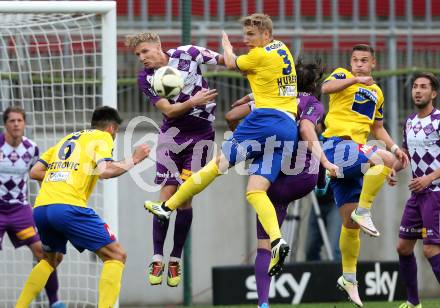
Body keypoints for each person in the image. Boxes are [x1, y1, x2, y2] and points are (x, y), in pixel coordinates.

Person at [145, 13, 338, 276]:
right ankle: (277, 239)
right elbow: (269, 82)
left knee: (217, 165)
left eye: (251, 35)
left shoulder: (258, 55)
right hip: (286, 128)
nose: (246, 39)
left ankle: (167, 207)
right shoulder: (281, 48)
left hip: (263, 121)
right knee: (256, 190)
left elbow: (232, 62)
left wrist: (226, 44)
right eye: (244, 34)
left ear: (266, 35)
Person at [225, 59, 338, 308]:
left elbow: (231, 116)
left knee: (263, 243)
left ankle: (263, 302)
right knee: (317, 144)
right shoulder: (313, 104)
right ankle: (321, 183)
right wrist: (326, 165)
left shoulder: (272, 99)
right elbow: (308, 129)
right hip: (302, 179)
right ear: (316, 83)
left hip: (271, 178)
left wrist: (247, 131)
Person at [15, 106, 150, 307]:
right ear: (112, 129)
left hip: (42, 209)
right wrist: (136, 158)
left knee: (50, 260)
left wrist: (59, 179)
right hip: (68, 207)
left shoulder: (67, 139)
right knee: (116, 255)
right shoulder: (102, 137)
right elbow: (105, 171)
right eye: (116, 133)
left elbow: (35, 171)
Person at [125, 32, 223, 287]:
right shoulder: (146, 78)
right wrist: (194, 101)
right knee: (166, 196)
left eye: (145, 51)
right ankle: (157, 256)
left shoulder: (187, 54)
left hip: (201, 135)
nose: (142, 58)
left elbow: (225, 61)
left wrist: (237, 54)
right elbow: (169, 110)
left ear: (158, 46)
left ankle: (175, 259)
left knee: (185, 198)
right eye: (137, 55)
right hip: (172, 136)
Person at [321, 44, 409, 306]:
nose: (358, 64)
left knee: (350, 224)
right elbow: (325, 88)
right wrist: (354, 79)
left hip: (357, 154)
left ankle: (348, 277)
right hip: (337, 145)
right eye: (355, 60)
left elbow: (377, 128)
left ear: (373, 64)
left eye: (363, 61)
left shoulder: (377, 93)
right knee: (381, 161)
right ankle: (364, 207)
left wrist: (395, 147)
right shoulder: (341, 76)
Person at [0, 106, 64, 307]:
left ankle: (54, 302)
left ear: (24, 123)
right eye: (12, 121)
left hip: (20, 210)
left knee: (45, 253)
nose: (16, 124)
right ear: (5, 124)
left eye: (19, 120)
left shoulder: (31, 148)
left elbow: (38, 175)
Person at [389, 72, 440, 308]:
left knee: (430, 248)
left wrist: (429, 178)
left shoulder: (439, 120)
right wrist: (393, 169)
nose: (418, 91)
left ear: (434, 93)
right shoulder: (410, 121)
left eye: (423, 87)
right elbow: (407, 155)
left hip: (436, 192)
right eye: (415, 87)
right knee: (403, 247)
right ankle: (413, 303)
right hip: (417, 194)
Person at [305, 168, 342, 262]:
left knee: (334, 250)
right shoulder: (314, 154)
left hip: (337, 201)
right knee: (310, 249)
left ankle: (337, 275)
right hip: (317, 203)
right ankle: (317, 275)